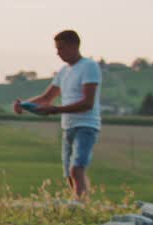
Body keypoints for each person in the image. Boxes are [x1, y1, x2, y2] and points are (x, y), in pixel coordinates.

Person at [12, 29, 102, 197]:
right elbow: (47, 97)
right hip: (68, 126)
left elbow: (88, 103)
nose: (58, 53)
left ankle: (81, 207)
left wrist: (56, 110)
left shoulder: (89, 67)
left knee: (77, 168)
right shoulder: (63, 71)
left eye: (61, 48)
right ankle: (79, 202)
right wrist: (23, 104)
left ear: (74, 46)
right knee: (69, 173)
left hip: (86, 125)